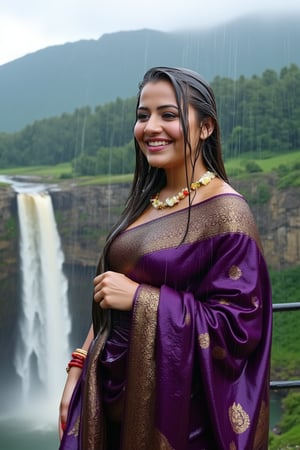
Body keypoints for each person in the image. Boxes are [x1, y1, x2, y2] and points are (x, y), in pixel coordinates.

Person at [58, 66, 272, 450]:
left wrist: (140, 298)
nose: (150, 127)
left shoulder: (227, 215)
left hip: (178, 420)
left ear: (205, 127)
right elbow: (111, 293)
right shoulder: (146, 201)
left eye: (168, 115)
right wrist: (78, 367)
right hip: (109, 395)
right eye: (143, 116)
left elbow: (238, 329)